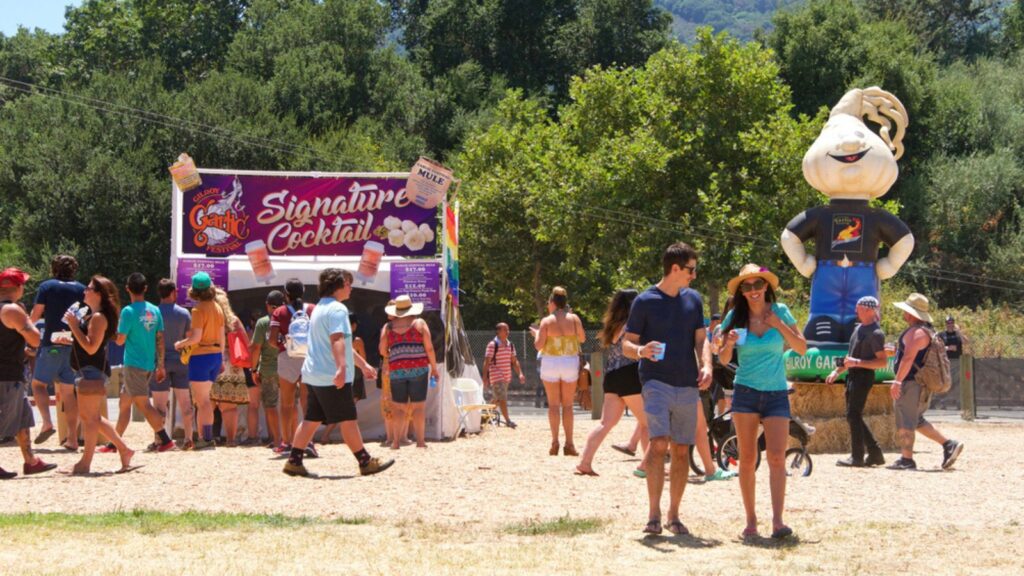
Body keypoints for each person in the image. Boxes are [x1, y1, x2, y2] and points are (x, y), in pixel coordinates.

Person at [622, 243, 713, 536]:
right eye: (691, 269)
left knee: (683, 450)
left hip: (687, 383)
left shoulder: (694, 300)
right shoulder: (645, 301)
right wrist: (641, 350)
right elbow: (626, 344)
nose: (694, 275)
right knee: (659, 443)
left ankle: (674, 514)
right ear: (675, 269)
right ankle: (653, 513)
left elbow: (702, 340)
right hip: (655, 381)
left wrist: (708, 365)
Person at [718, 263, 807, 540]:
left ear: (766, 286)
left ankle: (778, 522)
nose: (754, 290)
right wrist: (729, 344)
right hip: (745, 392)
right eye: (748, 286)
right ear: (742, 291)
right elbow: (722, 358)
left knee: (777, 458)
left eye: (758, 285)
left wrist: (777, 324)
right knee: (747, 458)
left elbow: (802, 348)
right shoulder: (734, 316)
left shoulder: (780, 312)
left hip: (776, 393)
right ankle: (751, 521)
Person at [282, 268, 393, 477]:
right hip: (330, 375)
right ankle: (365, 461)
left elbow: (343, 343)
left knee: (312, 419)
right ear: (339, 285)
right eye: (348, 284)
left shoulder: (318, 309)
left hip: (313, 373)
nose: (351, 288)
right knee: (348, 419)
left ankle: (294, 461)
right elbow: (337, 340)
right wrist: (342, 368)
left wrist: (362, 365)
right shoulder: (338, 310)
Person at [63, 276, 135, 474]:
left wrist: (74, 326)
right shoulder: (95, 315)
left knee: (90, 419)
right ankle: (124, 449)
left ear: (98, 294)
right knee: (94, 417)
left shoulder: (98, 317)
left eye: (88, 288)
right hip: (88, 370)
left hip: (91, 371)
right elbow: (88, 344)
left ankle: (85, 463)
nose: (84, 291)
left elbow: (91, 347)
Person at [888, 293, 964, 471]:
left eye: (906, 311)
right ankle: (948, 444)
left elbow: (908, 359)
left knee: (905, 421)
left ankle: (907, 460)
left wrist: (897, 382)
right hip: (919, 383)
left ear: (913, 314)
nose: (904, 314)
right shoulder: (926, 331)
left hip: (911, 383)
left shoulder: (917, 333)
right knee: (916, 420)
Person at [576, 289, 648, 477]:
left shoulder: (614, 325)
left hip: (612, 376)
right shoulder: (632, 324)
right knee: (648, 423)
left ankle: (585, 462)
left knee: (605, 424)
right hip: (630, 375)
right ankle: (648, 464)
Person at [0, 268, 56, 478]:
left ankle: (31, 461)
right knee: (4, 422)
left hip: (11, 373)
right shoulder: (12, 310)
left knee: (23, 419)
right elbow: (35, 339)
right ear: (19, 287)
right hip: (6, 376)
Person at [28, 254, 85, 448]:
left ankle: (47, 422)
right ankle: (72, 438)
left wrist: (25, 331)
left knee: (38, 385)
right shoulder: (81, 288)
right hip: (73, 345)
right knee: (69, 393)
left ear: (54, 269)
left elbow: (35, 314)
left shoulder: (47, 287)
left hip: (51, 343)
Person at [115, 273, 175, 453]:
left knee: (143, 404)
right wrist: (161, 364)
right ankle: (114, 442)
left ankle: (164, 439)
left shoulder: (128, 312)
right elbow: (160, 338)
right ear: (146, 288)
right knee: (124, 402)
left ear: (127, 289)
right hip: (148, 364)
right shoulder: (155, 310)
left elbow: (120, 340)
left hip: (133, 364)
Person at [826, 296, 887, 467]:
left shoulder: (876, 333)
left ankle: (857, 457)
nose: (855, 310)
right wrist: (836, 371)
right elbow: (850, 357)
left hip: (863, 377)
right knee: (854, 415)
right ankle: (875, 454)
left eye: (859, 308)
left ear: (868, 310)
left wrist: (858, 363)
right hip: (853, 376)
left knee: (853, 415)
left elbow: (882, 361)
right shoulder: (858, 329)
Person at [531, 287, 586, 457]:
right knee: (568, 405)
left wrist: (537, 334)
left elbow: (539, 345)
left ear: (553, 303)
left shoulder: (546, 321)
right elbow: (582, 338)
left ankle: (555, 442)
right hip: (569, 361)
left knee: (553, 405)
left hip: (551, 362)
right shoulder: (574, 319)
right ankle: (569, 444)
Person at [380, 295, 440, 449]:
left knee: (398, 407)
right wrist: (434, 368)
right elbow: (429, 347)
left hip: (397, 370)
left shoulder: (388, 327)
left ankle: (395, 442)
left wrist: (394, 354)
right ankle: (420, 442)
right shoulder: (419, 323)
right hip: (418, 369)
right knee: (418, 406)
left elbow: (382, 350)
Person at [174, 272, 224, 450]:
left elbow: (196, 338)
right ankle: (207, 437)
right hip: (216, 356)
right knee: (205, 400)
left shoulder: (198, 310)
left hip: (201, 356)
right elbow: (221, 335)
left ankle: (206, 439)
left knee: (202, 401)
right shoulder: (218, 308)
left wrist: (181, 344)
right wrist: (222, 357)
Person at [268, 279, 314, 454]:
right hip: (309, 357)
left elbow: (272, 340)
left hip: (287, 357)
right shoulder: (312, 309)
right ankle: (307, 442)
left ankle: (286, 442)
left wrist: (284, 344)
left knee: (287, 403)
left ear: (285, 293)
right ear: (303, 291)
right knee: (306, 402)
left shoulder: (279, 312)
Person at [150, 279, 193, 447]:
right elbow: (189, 338)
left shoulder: (153, 313)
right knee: (185, 403)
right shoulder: (184, 313)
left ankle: (159, 439)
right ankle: (189, 439)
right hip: (181, 361)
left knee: (159, 406)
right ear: (174, 292)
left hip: (160, 362)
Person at [212, 288, 251, 447]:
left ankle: (206, 438)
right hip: (233, 364)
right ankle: (231, 439)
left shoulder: (209, 317)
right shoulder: (234, 320)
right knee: (229, 406)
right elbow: (246, 341)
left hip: (212, 360)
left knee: (208, 404)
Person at [321, 313, 367, 443]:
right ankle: (329, 435)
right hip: (355, 376)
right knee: (347, 409)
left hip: (338, 374)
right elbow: (363, 358)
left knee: (344, 408)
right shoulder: (356, 341)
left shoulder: (333, 338)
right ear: (352, 325)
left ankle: (329, 435)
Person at [250, 290, 285, 449]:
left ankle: (277, 440)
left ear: (267, 305)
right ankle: (289, 439)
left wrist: (253, 369)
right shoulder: (288, 319)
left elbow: (256, 348)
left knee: (270, 405)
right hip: (288, 369)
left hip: (268, 369)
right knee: (289, 404)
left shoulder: (263, 323)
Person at [482, 322, 525, 429]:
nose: (507, 332)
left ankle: (483, 416)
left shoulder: (510, 345)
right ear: (498, 331)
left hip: (506, 376)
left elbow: (514, 361)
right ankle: (508, 421)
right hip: (496, 376)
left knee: (497, 399)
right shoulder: (492, 345)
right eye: (505, 329)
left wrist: (520, 373)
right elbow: (486, 362)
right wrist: (485, 378)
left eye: (508, 329)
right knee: (502, 398)